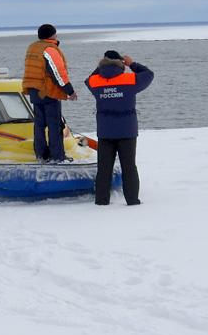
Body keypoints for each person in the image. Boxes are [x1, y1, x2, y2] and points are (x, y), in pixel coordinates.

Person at [84, 51, 154, 205]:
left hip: (105, 131)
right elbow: (148, 74)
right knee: (129, 167)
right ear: (121, 62)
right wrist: (131, 64)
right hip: (127, 130)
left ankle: (101, 201)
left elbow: (88, 80)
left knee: (104, 168)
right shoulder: (130, 79)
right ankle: (132, 200)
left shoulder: (96, 82)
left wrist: (101, 67)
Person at [22, 24, 78, 163]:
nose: (57, 35)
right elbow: (58, 72)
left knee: (39, 126)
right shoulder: (49, 49)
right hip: (48, 92)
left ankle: (41, 155)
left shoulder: (33, 47)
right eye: (55, 33)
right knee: (54, 125)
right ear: (52, 35)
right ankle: (57, 156)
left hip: (35, 91)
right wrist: (69, 90)